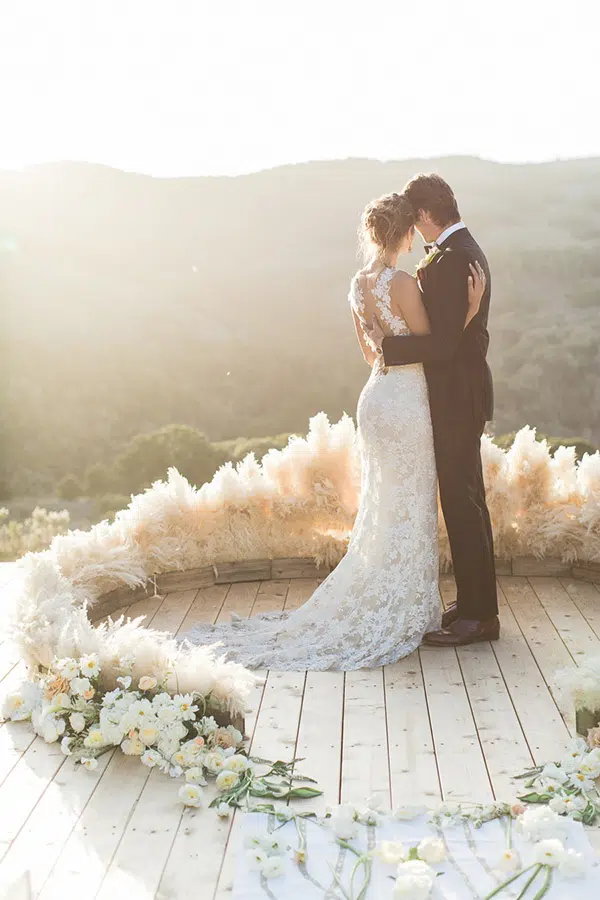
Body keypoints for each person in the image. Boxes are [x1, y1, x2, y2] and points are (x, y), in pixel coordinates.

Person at [183, 191, 485, 669]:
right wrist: (468, 315)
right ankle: (403, 603)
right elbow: (436, 347)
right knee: (409, 504)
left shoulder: (358, 285)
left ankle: (388, 595)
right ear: (405, 232)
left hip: (376, 398)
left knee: (386, 504)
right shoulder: (403, 283)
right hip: (406, 403)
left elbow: (372, 354)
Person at [368, 174, 499, 647]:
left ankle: (478, 619)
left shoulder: (453, 258)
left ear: (424, 215)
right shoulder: (458, 250)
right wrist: (466, 320)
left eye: (413, 215)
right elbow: (457, 332)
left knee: (462, 502)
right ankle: (476, 603)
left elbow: (443, 345)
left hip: (456, 397)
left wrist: (387, 347)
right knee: (468, 500)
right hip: (461, 393)